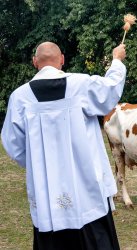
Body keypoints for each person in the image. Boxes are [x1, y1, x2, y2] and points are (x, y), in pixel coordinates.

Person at [1, 41, 127, 250]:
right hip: (87, 187)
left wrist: (38, 164)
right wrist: (116, 61)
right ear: (62, 60)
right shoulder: (81, 85)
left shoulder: (19, 98)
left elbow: (14, 146)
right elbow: (110, 90)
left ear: (35, 62)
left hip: (46, 192)